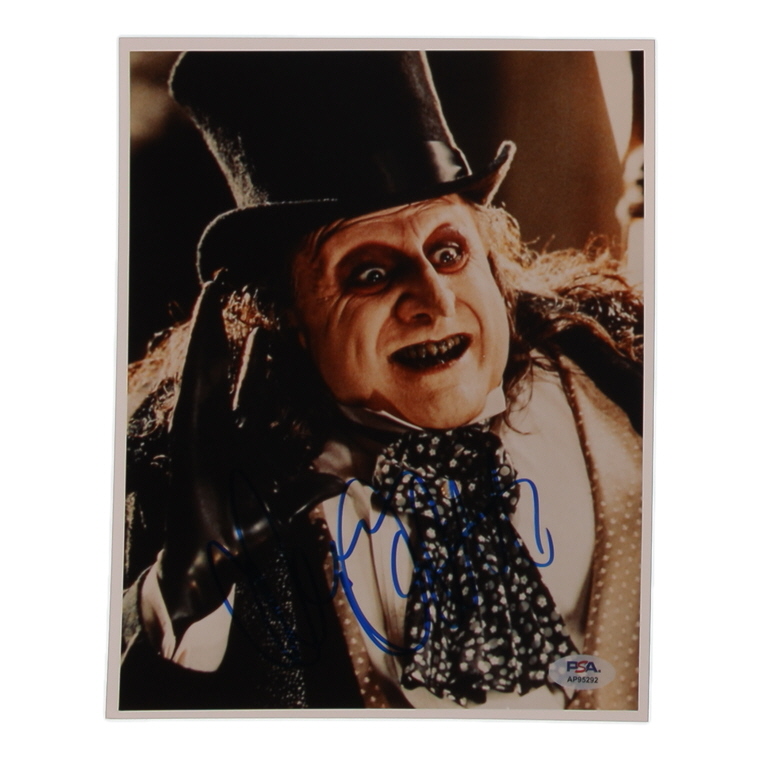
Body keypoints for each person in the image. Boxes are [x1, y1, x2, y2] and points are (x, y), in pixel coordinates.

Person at [119, 51, 643, 712]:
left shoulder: (631, 375)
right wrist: (187, 602)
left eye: (449, 252)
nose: (434, 300)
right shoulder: (207, 492)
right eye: (370, 273)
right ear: (285, 313)